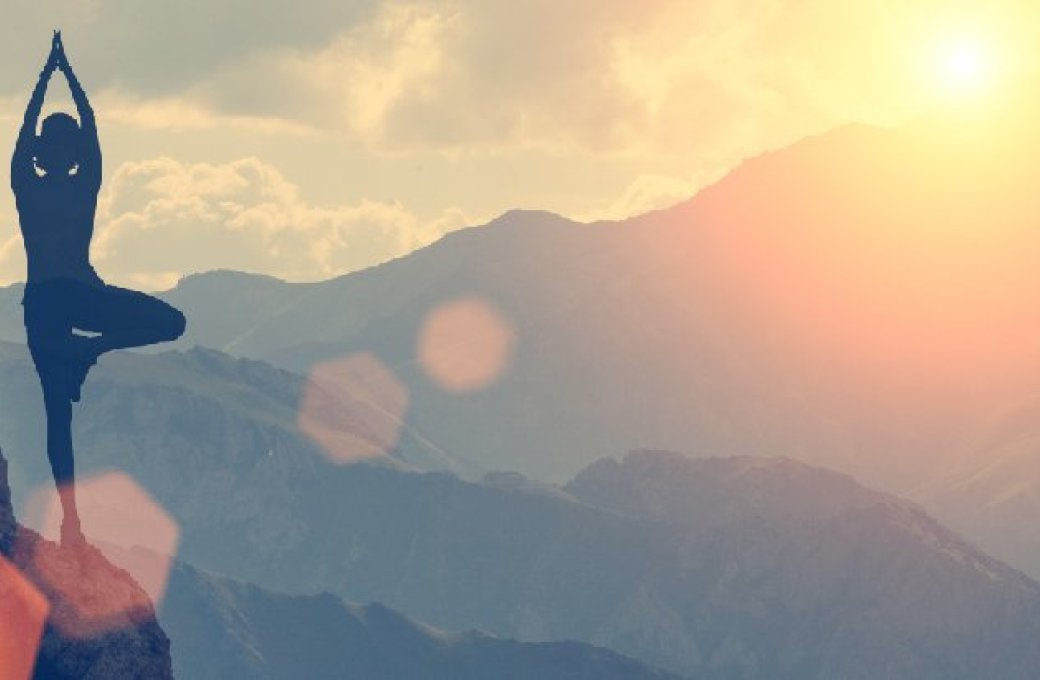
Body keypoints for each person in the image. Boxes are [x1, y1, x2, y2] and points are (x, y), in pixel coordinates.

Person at [11, 32, 186, 545]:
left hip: (49, 301)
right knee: (58, 413)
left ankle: (89, 349)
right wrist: (62, 78)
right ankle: (72, 523)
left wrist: (49, 79)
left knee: (56, 415)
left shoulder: (30, 186)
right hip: (71, 298)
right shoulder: (73, 185)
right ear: (58, 155)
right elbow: (88, 134)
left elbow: (35, 136)